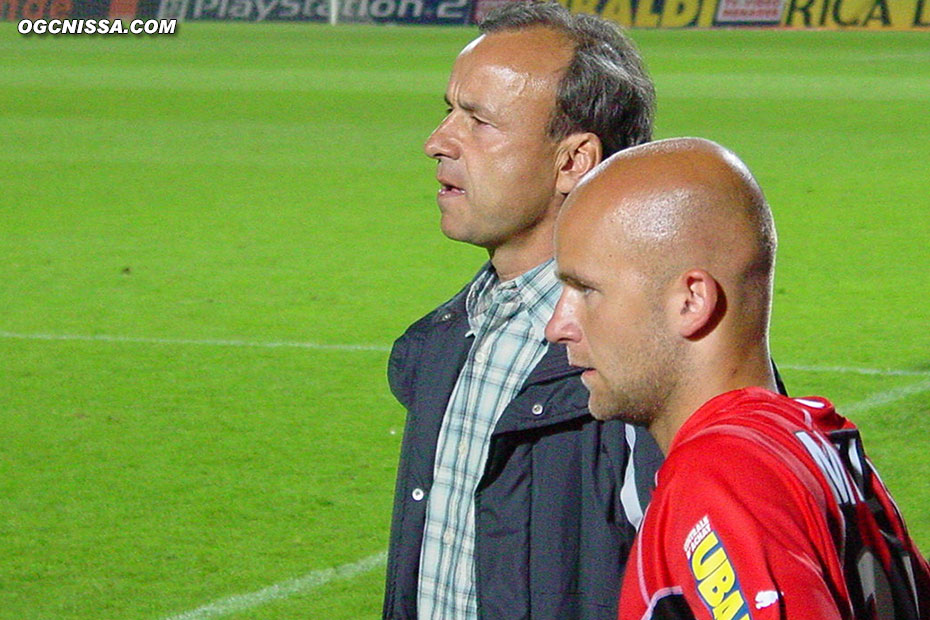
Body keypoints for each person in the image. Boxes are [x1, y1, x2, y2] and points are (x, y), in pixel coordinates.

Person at [546, 137, 930, 620]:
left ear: (691, 300)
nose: (558, 325)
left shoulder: (720, 478)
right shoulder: (814, 438)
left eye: (586, 290)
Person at [382, 2, 662, 619]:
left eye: (478, 121)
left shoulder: (657, 365)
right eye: (448, 111)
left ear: (572, 161)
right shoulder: (449, 339)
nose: (437, 142)